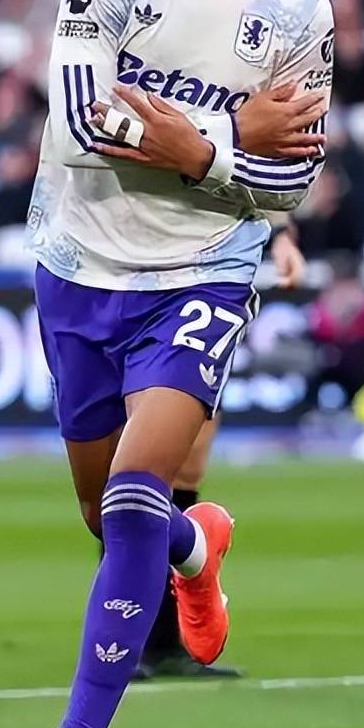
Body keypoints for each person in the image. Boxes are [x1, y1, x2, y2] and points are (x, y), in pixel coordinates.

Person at [17, 0, 332, 728]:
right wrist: (228, 139)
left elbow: (292, 184)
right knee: (109, 517)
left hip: (204, 270)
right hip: (79, 262)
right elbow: (76, 122)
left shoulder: (299, 11)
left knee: (133, 490)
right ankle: (196, 549)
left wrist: (197, 152)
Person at [134, 219, 307, 681]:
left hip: (206, 282)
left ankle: (166, 642)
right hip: (139, 277)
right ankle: (129, 638)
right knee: (140, 469)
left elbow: (251, 183)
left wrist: (281, 235)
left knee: (187, 464)